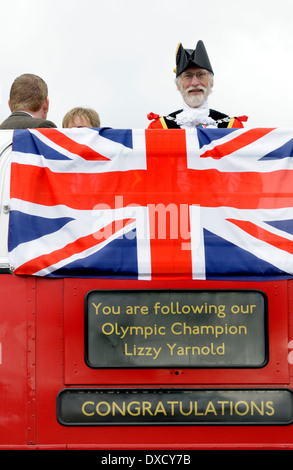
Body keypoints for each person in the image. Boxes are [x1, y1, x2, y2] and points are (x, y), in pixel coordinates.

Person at [147, 41, 247, 129]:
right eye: (187, 76)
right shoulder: (159, 127)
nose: (195, 83)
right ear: (178, 85)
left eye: (201, 75)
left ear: (211, 82)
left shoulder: (232, 127)